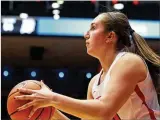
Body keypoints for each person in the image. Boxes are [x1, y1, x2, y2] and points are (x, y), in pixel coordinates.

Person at [15, 11, 160, 120]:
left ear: (110, 36)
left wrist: (52, 98)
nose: (86, 34)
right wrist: (51, 110)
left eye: (93, 28)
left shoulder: (129, 62)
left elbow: (104, 111)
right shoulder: (94, 83)